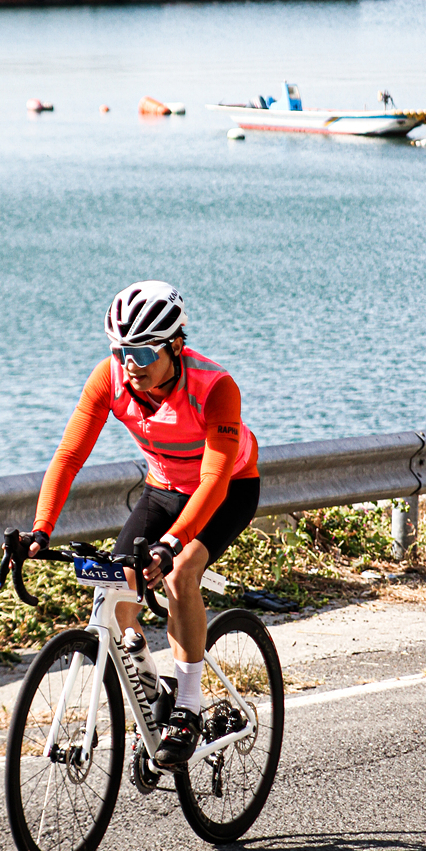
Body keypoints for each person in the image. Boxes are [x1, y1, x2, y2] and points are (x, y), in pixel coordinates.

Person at [24, 281, 260, 768]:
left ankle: (188, 707)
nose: (131, 363)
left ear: (176, 345)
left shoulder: (215, 387)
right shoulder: (110, 378)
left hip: (227, 489)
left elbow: (214, 480)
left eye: (144, 351)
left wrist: (172, 543)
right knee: (115, 589)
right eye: (120, 350)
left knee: (180, 573)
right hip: (163, 488)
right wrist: (41, 529)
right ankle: (154, 693)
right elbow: (69, 457)